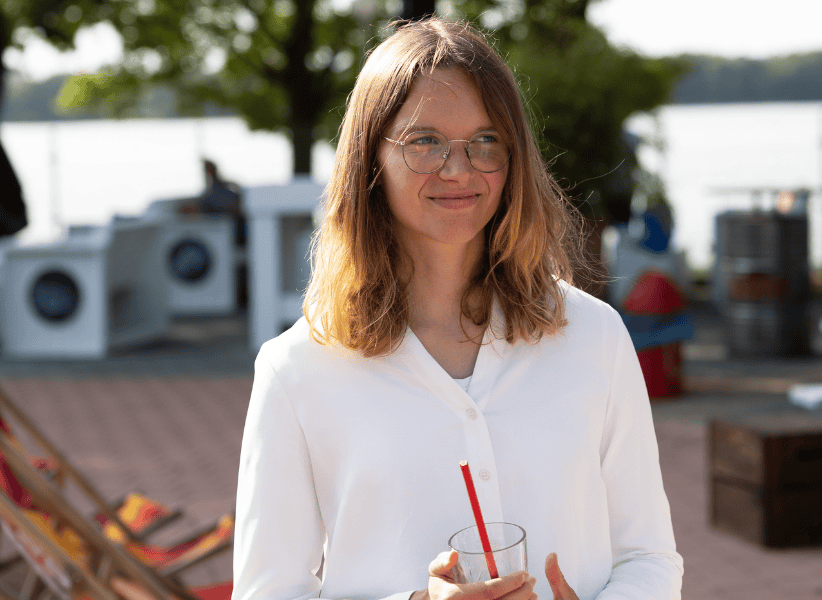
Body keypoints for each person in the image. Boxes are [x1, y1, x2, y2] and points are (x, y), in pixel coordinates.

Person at [234, 17, 683, 600]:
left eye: (485, 141)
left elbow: (649, 557)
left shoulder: (593, 336)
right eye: (425, 142)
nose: (459, 168)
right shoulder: (296, 370)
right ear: (370, 159)